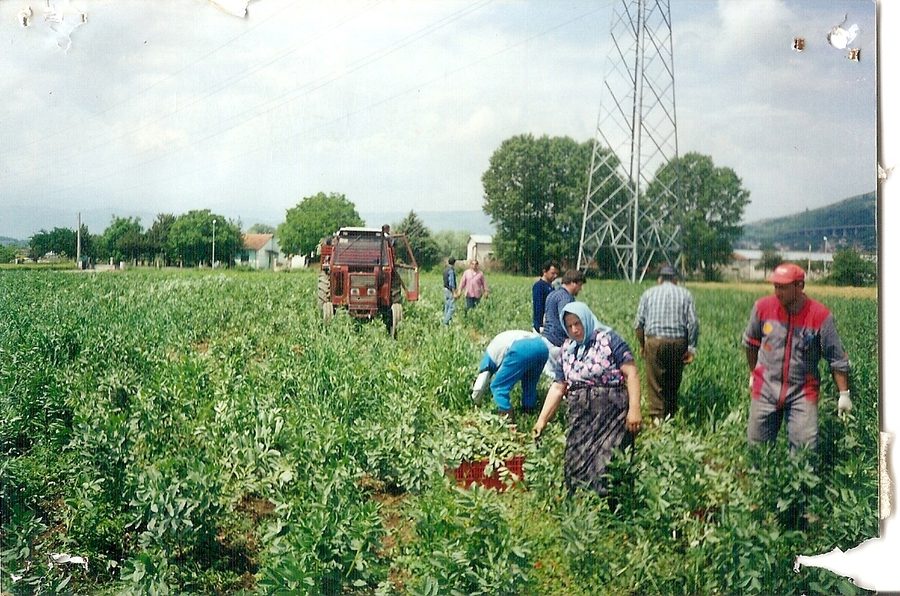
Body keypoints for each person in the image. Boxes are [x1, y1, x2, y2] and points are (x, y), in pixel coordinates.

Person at [532, 302, 642, 495]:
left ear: (586, 320)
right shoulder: (567, 349)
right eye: (569, 326)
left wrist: (634, 409)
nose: (574, 330)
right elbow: (559, 387)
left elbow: (631, 374)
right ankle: (580, 510)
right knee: (575, 462)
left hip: (612, 414)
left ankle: (610, 514)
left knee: (606, 463)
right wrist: (542, 420)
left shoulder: (609, 340)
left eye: (578, 323)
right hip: (580, 413)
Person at [743, 263, 851, 451]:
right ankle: (761, 479)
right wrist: (753, 373)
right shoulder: (762, 308)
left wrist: (844, 394)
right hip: (766, 388)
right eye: (775, 286)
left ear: (799, 286)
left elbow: (837, 358)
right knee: (757, 449)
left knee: (805, 451)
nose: (778, 292)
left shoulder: (820, 316)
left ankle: (799, 480)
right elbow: (751, 344)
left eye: (783, 287)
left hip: (802, 392)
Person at [634, 264, 699, 421]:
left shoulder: (648, 294)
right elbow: (694, 323)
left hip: (655, 342)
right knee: (673, 380)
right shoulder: (686, 294)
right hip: (678, 342)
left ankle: (657, 419)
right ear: (675, 279)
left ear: (660, 279)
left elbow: (638, 324)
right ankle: (670, 415)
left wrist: (643, 345)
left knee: (655, 383)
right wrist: (691, 348)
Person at [472, 330, 554, 418]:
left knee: (498, 387)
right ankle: (529, 412)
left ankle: (507, 418)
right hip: (542, 347)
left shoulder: (487, 360)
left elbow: (479, 387)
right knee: (529, 383)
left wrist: (476, 403)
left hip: (522, 348)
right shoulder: (496, 345)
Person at [541, 269, 586, 347]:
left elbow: (545, 318)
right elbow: (567, 321)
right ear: (573, 283)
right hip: (556, 342)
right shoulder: (566, 298)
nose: (580, 289)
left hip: (546, 338)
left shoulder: (552, 294)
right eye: (580, 285)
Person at [532, 260, 560, 333]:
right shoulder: (539, 286)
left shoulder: (551, 286)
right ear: (545, 271)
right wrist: (539, 326)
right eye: (552, 273)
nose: (555, 276)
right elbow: (538, 306)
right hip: (542, 326)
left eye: (557, 273)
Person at [442, 257, 457, 325]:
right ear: (454, 263)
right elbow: (451, 283)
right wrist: (454, 292)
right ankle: (445, 322)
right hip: (449, 290)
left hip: (445, 289)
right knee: (452, 307)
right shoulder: (451, 271)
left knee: (447, 306)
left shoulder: (445, 270)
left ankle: (446, 324)